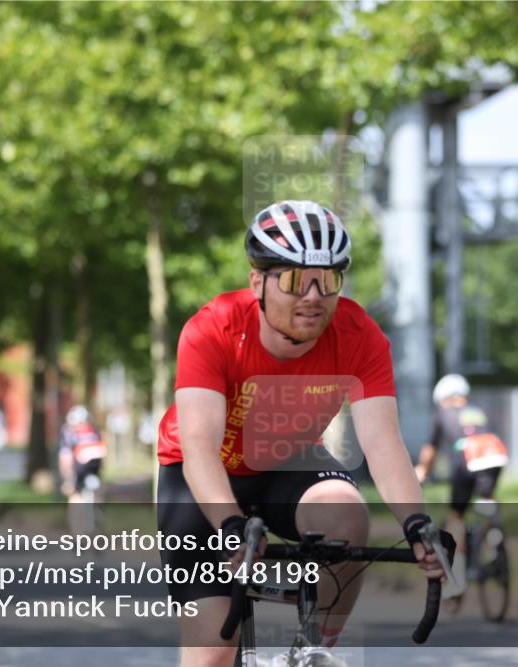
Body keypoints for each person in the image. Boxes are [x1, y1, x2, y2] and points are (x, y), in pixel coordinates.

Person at [155, 200, 454, 667]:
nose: (313, 295)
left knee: (348, 518)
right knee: (212, 651)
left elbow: (382, 444)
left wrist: (417, 524)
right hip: (201, 478)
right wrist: (231, 530)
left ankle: (314, 652)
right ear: (258, 281)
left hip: (286, 463)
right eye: (295, 280)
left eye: (328, 279)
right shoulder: (211, 329)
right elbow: (199, 446)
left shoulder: (360, 336)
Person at [414, 373, 508, 595]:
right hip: (494, 456)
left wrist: (422, 471)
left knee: (456, 518)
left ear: (443, 398)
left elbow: (431, 450)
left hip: (466, 461)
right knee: (488, 499)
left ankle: (456, 580)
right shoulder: (478, 409)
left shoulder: (442, 413)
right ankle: (494, 539)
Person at [58, 404, 107, 503]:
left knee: (74, 494)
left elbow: (66, 457)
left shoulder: (68, 432)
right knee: (96, 492)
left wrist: (67, 480)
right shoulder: (95, 431)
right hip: (92, 469)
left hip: (81, 470)